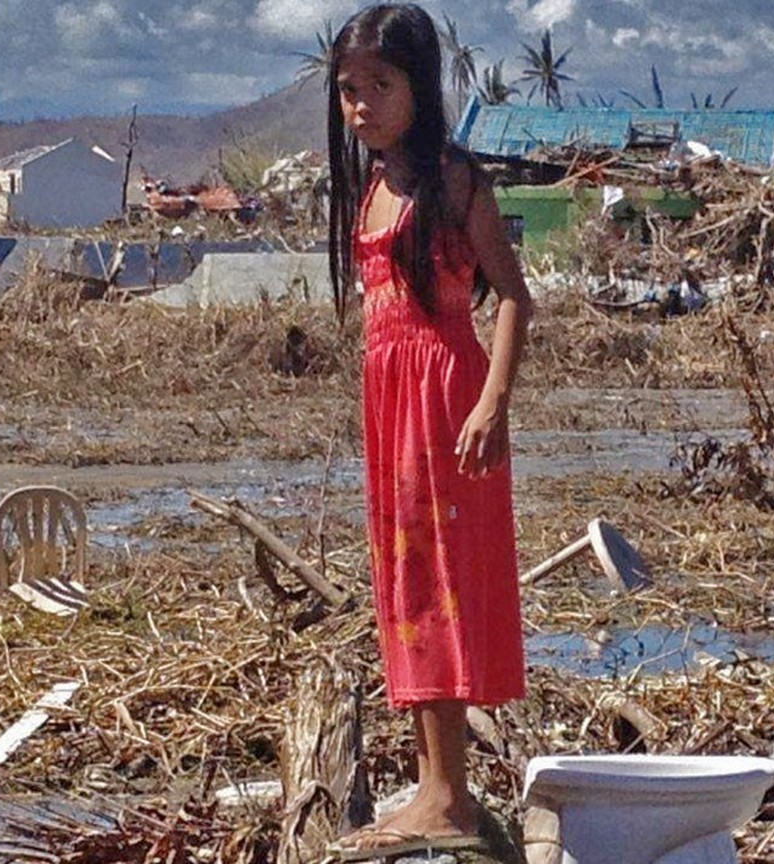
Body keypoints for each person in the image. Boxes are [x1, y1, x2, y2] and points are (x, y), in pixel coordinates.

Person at [325, 4, 532, 858]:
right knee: (404, 588)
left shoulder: (454, 181)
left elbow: (514, 295)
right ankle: (432, 788)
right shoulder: (369, 185)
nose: (362, 105)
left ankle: (450, 799)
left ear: (421, 88)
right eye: (348, 90)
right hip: (389, 403)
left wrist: (492, 402)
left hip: (447, 398)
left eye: (380, 85)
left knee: (442, 585)